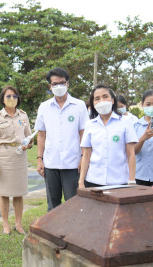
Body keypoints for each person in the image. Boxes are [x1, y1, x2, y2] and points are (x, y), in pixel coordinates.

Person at [34, 67, 89, 211]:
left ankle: (73, 232)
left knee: (74, 203)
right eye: (55, 84)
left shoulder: (79, 105)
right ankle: (53, 232)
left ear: (68, 84)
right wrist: (40, 158)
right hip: (51, 163)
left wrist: (83, 157)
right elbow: (41, 134)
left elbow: (84, 133)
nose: (59, 86)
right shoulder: (44, 107)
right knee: (53, 204)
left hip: (72, 164)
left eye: (62, 83)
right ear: (49, 86)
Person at [0, 85, 33, 235]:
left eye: (14, 96)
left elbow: (29, 136)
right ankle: (6, 225)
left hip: (20, 156)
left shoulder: (23, 116)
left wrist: (29, 144)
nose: (12, 99)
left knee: (19, 192)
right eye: (8, 96)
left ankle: (18, 224)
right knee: (4, 193)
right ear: (3, 99)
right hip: (4, 156)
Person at [78, 84, 138, 188]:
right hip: (93, 180)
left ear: (113, 100)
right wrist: (81, 181)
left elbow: (131, 154)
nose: (101, 101)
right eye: (97, 98)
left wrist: (132, 180)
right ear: (93, 103)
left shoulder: (125, 122)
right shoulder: (90, 124)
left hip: (119, 181)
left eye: (105, 96)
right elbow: (86, 155)